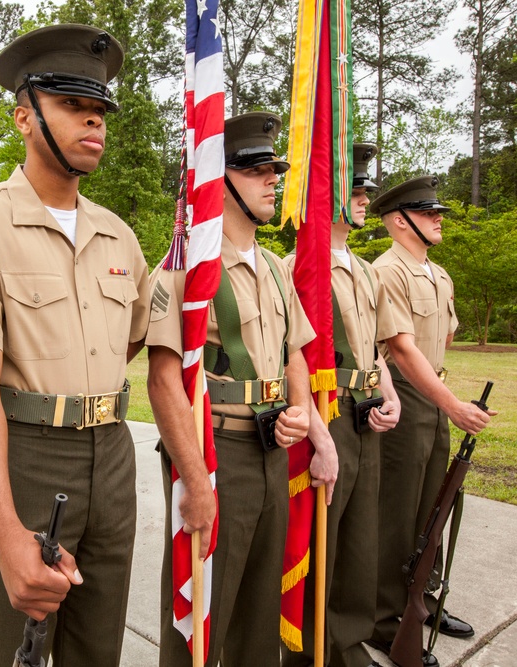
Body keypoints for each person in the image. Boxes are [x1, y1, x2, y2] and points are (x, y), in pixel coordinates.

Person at [0, 24, 151, 667]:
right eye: (74, 106)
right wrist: (2, 529)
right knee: (7, 649)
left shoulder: (117, 237)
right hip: (27, 457)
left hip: (114, 453)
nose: (93, 124)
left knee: (99, 645)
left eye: (100, 110)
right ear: (24, 116)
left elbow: (125, 345)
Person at [147, 111, 316, 667]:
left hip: (273, 452)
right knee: (200, 617)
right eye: (256, 169)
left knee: (259, 613)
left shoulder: (274, 267)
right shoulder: (185, 268)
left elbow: (295, 352)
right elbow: (164, 380)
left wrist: (300, 416)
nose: (274, 180)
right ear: (218, 180)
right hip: (217, 456)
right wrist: (195, 481)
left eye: (276, 169)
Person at [367, 175, 496, 660]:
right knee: (398, 513)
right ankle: (384, 619)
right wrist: (452, 404)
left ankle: (424, 600)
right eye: (428, 213)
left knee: (432, 507)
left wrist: (445, 398)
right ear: (400, 221)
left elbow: (441, 343)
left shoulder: (438, 275)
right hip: (403, 396)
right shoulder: (388, 271)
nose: (439, 218)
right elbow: (401, 351)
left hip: (432, 392)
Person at [282, 144, 401, 667]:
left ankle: (348, 647)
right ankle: (313, 652)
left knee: (359, 541)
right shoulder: (297, 268)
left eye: (366, 191)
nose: (363, 200)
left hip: (366, 414)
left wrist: (391, 395)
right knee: (320, 542)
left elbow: (378, 349)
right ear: (324, 195)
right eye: (352, 190)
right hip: (324, 416)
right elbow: (292, 356)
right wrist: (314, 432)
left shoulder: (367, 270)